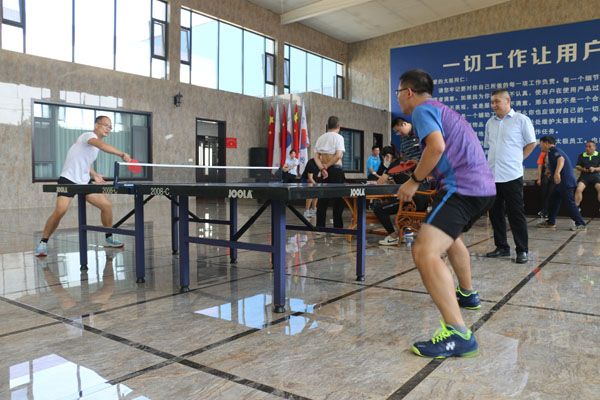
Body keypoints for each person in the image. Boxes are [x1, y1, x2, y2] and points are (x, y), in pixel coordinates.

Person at [395, 69, 496, 358]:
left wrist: (413, 181)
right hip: (483, 188)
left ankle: (457, 333)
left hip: (462, 188)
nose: (398, 98)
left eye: (398, 92)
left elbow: (436, 147)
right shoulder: (442, 109)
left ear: (409, 92)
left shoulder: (422, 110)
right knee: (451, 239)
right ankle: (467, 293)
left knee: (424, 251)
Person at [35, 116, 131, 256]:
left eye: (110, 127)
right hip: (68, 179)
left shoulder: (94, 148)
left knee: (107, 206)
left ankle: (109, 238)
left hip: (84, 181)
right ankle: (43, 242)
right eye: (105, 125)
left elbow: (85, 162)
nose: (108, 129)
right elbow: (102, 146)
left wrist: (94, 174)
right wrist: (121, 154)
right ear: (96, 125)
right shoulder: (88, 136)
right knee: (60, 211)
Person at [484, 88, 536, 264]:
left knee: (516, 214)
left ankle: (522, 250)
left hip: (512, 174)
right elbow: (490, 146)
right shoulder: (490, 123)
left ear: (507, 101)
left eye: (497, 101)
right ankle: (502, 247)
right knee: (495, 213)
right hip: (493, 175)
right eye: (492, 102)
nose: (494, 105)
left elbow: (532, 143)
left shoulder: (521, 120)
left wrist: (518, 159)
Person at [373, 144, 427, 245]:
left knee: (379, 209)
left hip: (413, 201)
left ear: (387, 157)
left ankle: (393, 237)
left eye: (383, 159)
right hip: (423, 199)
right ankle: (405, 232)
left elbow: (379, 182)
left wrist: (374, 182)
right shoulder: (402, 163)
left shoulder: (393, 166)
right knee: (393, 204)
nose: (383, 161)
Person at [537, 136, 586, 231]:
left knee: (570, 204)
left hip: (565, 182)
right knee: (553, 201)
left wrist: (557, 173)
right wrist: (550, 172)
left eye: (541, 144)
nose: (540, 146)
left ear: (546, 143)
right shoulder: (552, 151)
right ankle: (550, 222)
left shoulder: (552, 150)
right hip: (560, 184)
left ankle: (581, 224)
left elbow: (561, 159)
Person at [314, 116, 345, 230]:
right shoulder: (339, 137)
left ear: (327, 126)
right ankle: (337, 228)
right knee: (338, 200)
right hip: (336, 170)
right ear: (338, 126)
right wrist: (327, 166)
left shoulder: (321, 138)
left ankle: (320, 227)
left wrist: (322, 168)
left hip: (325, 172)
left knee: (323, 199)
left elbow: (316, 157)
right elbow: (338, 155)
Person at [574, 140, 600, 209]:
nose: (587, 148)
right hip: (584, 176)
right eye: (586, 147)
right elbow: (578, 166)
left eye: (589, 147)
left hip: (596, 176)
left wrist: (595, 169)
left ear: (595, 147)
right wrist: (583, 169)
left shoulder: (599, 155)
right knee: (578, 189)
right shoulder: (581, 155)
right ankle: (576, 208)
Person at [536, 150, 553, 219]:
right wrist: (539, 178)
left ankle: (549, 211)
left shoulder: (556, 153)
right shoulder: (543, 154)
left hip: (553, 176)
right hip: (544, 176)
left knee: (550, 194)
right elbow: (540, 166)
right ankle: (544, 210)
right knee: (543, 194)